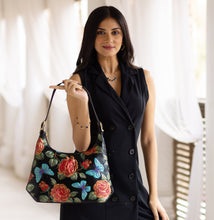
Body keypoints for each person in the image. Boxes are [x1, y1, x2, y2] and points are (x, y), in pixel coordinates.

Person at [50, 5, 169, 220]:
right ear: (90, 37)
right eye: (100, 32)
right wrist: (83, 101)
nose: (109, 39)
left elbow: (149, 140)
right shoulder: (78, 82)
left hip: (131, 187)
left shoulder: (144, 79)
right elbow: (81, 145)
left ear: (124, 36)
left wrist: (154, 195)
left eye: (115, 32)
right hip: (92, 189)